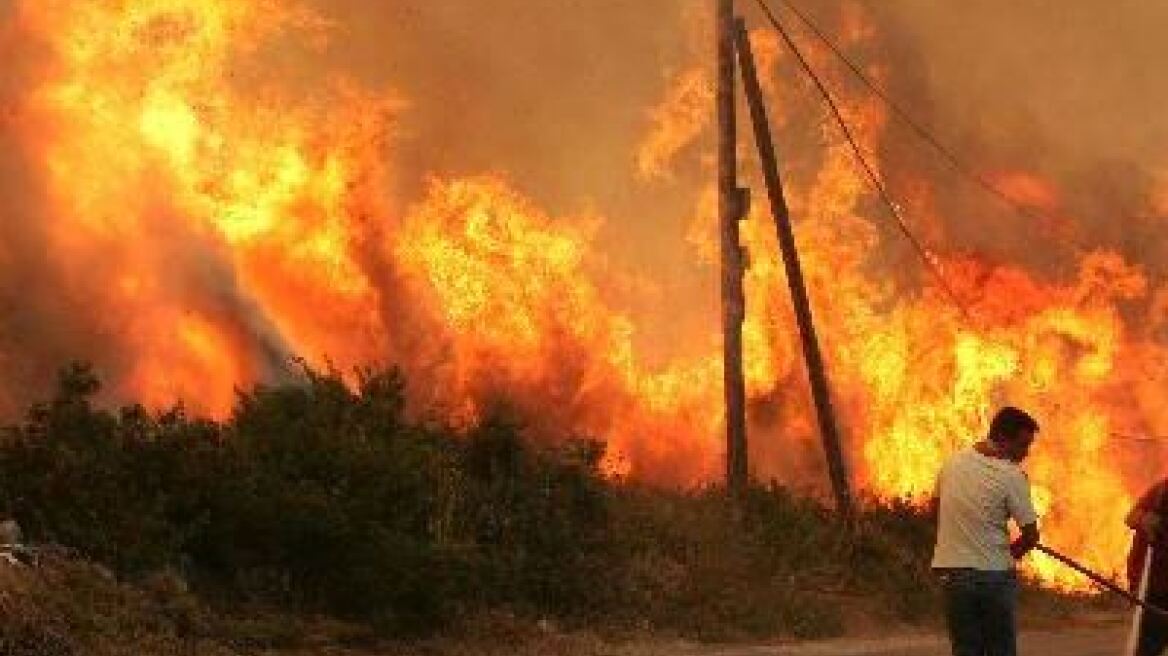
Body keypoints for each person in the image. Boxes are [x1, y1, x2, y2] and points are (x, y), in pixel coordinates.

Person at [930, 406, 1041, 656]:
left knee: (966, 650)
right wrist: (1010, 553)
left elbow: (934, 512)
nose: (1025, 453)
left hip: (955, 577)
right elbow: (1032, 536)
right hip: (995, 577)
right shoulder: (1012, 475)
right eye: (1022, 445)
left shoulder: (951, 464)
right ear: (1002, 438)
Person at [1125, 478, 1168, 656]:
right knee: (1147, 649)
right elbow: (1131, 517)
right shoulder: (1161, 492)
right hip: (1154, 591)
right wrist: (1145, 519)